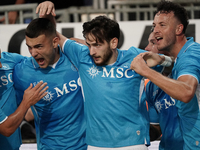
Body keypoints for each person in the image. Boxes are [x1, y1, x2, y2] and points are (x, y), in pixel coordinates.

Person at [36, 1, 174, 149]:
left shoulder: (135, 57)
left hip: (133, 143)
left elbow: (172, 63)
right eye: (89, 44)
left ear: (114, 42)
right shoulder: (83, 57)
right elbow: (57, 37)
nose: (91, 51)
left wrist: (164, 60)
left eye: (97, 45)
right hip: (96, 145)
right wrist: (48, 16)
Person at [131, 1, 200, 149]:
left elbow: (186, 91)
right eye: (154, 25)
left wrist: (146, 71)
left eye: (162, 25)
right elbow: (157, 128)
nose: (156, 30)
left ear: (179, 29)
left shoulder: (193, 53)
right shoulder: (164, 74)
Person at [13, 17, 87, 149]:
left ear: (55, 42)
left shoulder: (74, 58)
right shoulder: (22, 72)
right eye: (29, 47)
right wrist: (25, 104)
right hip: (49, 147)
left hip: (84, 146)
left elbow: (99, 49)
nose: (33, 53)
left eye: (39, 46)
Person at [0, 48, 48, 150]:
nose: (1, 65)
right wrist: (26, 102)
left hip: (13, 146)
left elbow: (42, 60)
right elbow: (6, 128)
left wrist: (65, 46)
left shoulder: (10, 59)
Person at [144, 32, 184, 149]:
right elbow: (156, 129)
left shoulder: (188, 75)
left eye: (152, 43)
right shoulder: (151, 85)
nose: (146, 48)